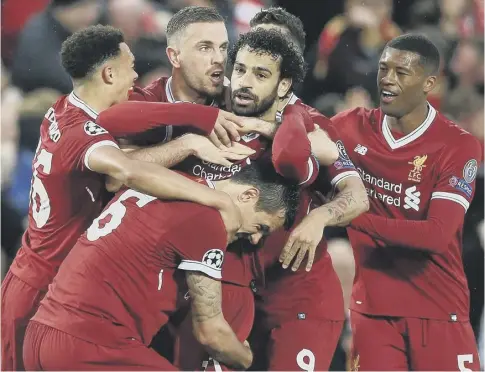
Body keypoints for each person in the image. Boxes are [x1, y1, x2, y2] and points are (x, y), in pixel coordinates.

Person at [0, 25, 242, 372]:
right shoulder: (84, 133)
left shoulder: (62, 109)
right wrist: (216, 199)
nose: (136, 76)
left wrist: (186, 143)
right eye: (131, 66)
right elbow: (123, 172)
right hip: (44, 291)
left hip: (36, 278)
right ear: (108, 73)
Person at [23, 159, 301, 371]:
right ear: (248, 196)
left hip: (39, 334)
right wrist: (246, 358)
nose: (254, 238)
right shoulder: (206, 220)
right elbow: (211, 333)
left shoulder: (167, 182)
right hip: (90, 344)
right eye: (262, 226)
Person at [332, 34, 481, 371]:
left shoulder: (458, 146)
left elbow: (436, 235)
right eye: (384, 69)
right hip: (373, 311)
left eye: (401, 72)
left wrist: (347, 215)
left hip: (439, 310)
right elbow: (301, 129)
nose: (387, 78)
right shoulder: (350, 127)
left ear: (429, 83)